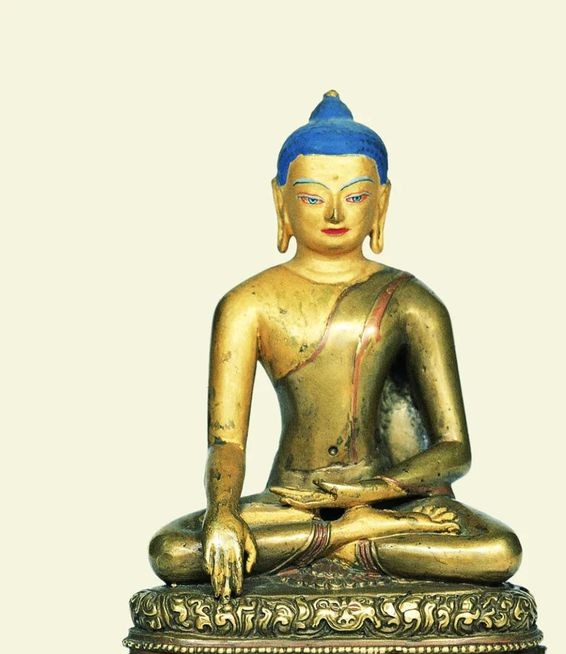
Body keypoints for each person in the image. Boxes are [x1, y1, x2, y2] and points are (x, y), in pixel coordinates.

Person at [149, 91, 522, 599]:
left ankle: (341, 536)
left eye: (355, 196)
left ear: (382, 202)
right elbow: (226, 442)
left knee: (500, 550)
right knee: (171, 550)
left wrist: (373, 492)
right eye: (311, 197)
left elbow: (454, 448)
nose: (333, 213)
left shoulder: (412, 302)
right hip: (291, 500)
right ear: (280, 200)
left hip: (390, 500)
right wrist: (223, 514)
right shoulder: (247, 303)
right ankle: (350, 539)